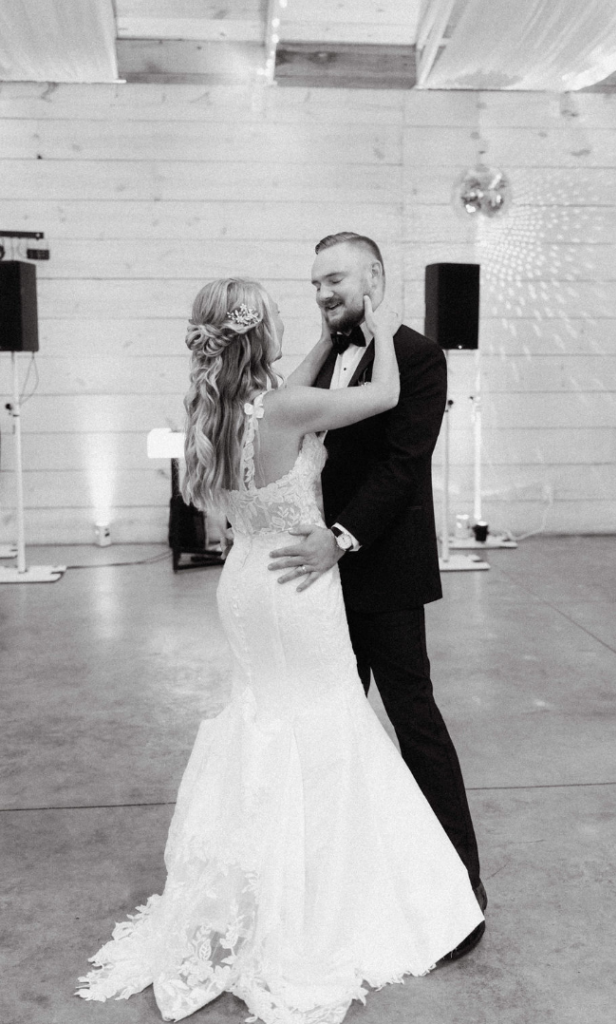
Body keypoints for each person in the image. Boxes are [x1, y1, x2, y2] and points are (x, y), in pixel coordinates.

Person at [76, 276, 483, 1024]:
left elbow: (288, 396)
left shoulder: (224, 410)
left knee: (265, 716)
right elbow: (386, 394)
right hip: (299, 585)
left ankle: (262, 879)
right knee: (326, 719)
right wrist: (382, 324)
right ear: (259, 335)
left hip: (246, 583)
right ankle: (316, 899)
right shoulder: (287, 410)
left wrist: (330, 340)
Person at [269, 232, 486, 922]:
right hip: (315, 575)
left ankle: (462, 891)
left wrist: (339, 539)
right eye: (314, 284)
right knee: (330, 722)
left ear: (375, 277)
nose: (323, 293)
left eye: (334, 279)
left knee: (413, 719)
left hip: (382, 567)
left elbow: (402, 465)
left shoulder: (419, 358)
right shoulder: (325, 355)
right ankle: (341, 879)